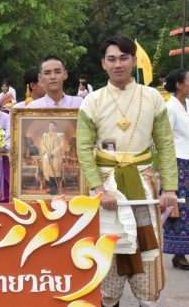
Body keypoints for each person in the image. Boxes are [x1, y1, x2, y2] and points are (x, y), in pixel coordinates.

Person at [77, 35, 178, 307]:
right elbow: (84, 149)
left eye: (124, 57)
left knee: (148, 246)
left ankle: (147, 298)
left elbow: (165, 145)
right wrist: (98, 188)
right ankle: (110, 301)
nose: (118, 64)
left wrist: (169, 188)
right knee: (109, 248)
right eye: (111, 59)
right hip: (107, 189)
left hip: (143, 184)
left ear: (133, 60)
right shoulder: (92, 101)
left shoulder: (153, 97)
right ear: (103, 64)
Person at [161, 68, 189, 270]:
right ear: (179, 84)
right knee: (179, 208)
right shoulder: (169, 107)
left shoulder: (188, 104)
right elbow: (165, 140)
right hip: (177, 163)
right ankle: (179, 253)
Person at [39, 121, 65, 195]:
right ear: (48, 127)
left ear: (55, 127)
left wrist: (53, 153)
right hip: (47, 156)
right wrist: (47, 152)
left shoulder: (59, 135)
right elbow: (42, 144)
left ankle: (55, 189)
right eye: (50, 126)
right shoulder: (45, 136)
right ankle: (50, 188)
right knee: (47, 172)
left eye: (53, 126)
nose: (51, 127)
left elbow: (61, 145)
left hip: (55, 157)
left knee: (55, 171)